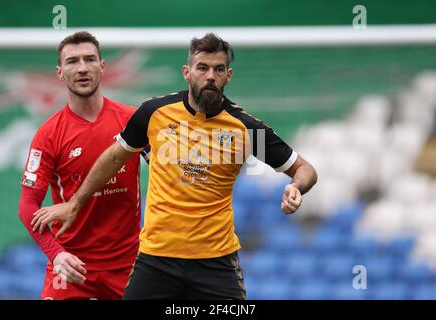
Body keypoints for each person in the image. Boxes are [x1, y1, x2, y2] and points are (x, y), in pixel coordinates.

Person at [32, 33, 318, 299]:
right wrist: (75, 203)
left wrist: (296, 186)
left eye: (218, 69)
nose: (210, 76)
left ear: (228, 76)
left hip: (216, 262)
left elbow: (304, 169)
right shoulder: (153, 113)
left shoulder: (245, 128)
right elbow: (114, 157)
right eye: (202, 67)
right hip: (156, 260)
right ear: (187, 72)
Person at [18, 31, 147, 300]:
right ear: (59, 72)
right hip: (71, 267)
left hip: (129, 266)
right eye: (72, 61)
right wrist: (57, 255)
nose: (82, 68)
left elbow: (169, 172)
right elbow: (27, 205)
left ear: (102, 67)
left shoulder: (134, 120)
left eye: (89, 59)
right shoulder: (48, 134)